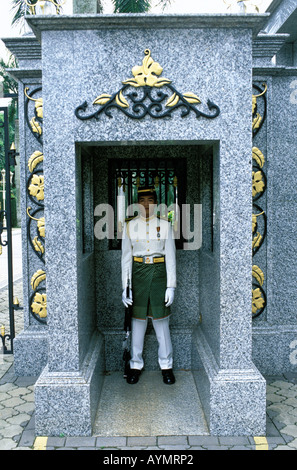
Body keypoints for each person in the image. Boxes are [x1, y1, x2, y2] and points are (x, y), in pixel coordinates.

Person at [121, 187, 176, 385]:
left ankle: (166, 366)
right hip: (138, 275)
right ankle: (135, 365)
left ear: (156, 203)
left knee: (161, 322)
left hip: (160, 275)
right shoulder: (129, 226)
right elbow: (126, 259)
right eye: (142, 200)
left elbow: (170, 257)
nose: (146, 204)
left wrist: (171, 286)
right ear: (137, 203)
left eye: (150, 199)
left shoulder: (165, 226)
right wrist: (125, 287)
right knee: (137, 323)